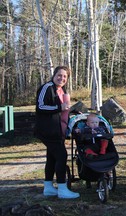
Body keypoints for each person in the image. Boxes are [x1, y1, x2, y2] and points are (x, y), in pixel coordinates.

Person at [34, 66, 80, 199]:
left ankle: (48, 187)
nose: (62, 78)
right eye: (59, 75)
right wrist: (59, 107)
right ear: (54, 75)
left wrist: (72, 111)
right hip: (47, 129)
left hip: (57, 129)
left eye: (65, 76)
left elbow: (62, 110)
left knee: (52, 157)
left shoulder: (61, 90)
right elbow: (40, 106)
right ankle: (62, 189)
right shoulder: (47, 87)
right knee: (61, 156)